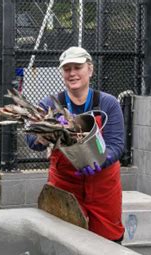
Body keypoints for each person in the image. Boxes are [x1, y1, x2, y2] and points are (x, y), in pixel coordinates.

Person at [27, 46, 125, 242]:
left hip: (103, 183)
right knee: (63, 238)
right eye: (67, 69)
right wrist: (42, 137)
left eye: (77, 67)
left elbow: (117, 145)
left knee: (109, 239)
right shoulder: (49, 105)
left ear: (90, 69)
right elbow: (31, 141)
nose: (72, 73)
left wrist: (100, 161)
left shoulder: (108, 103)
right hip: (65, 182)